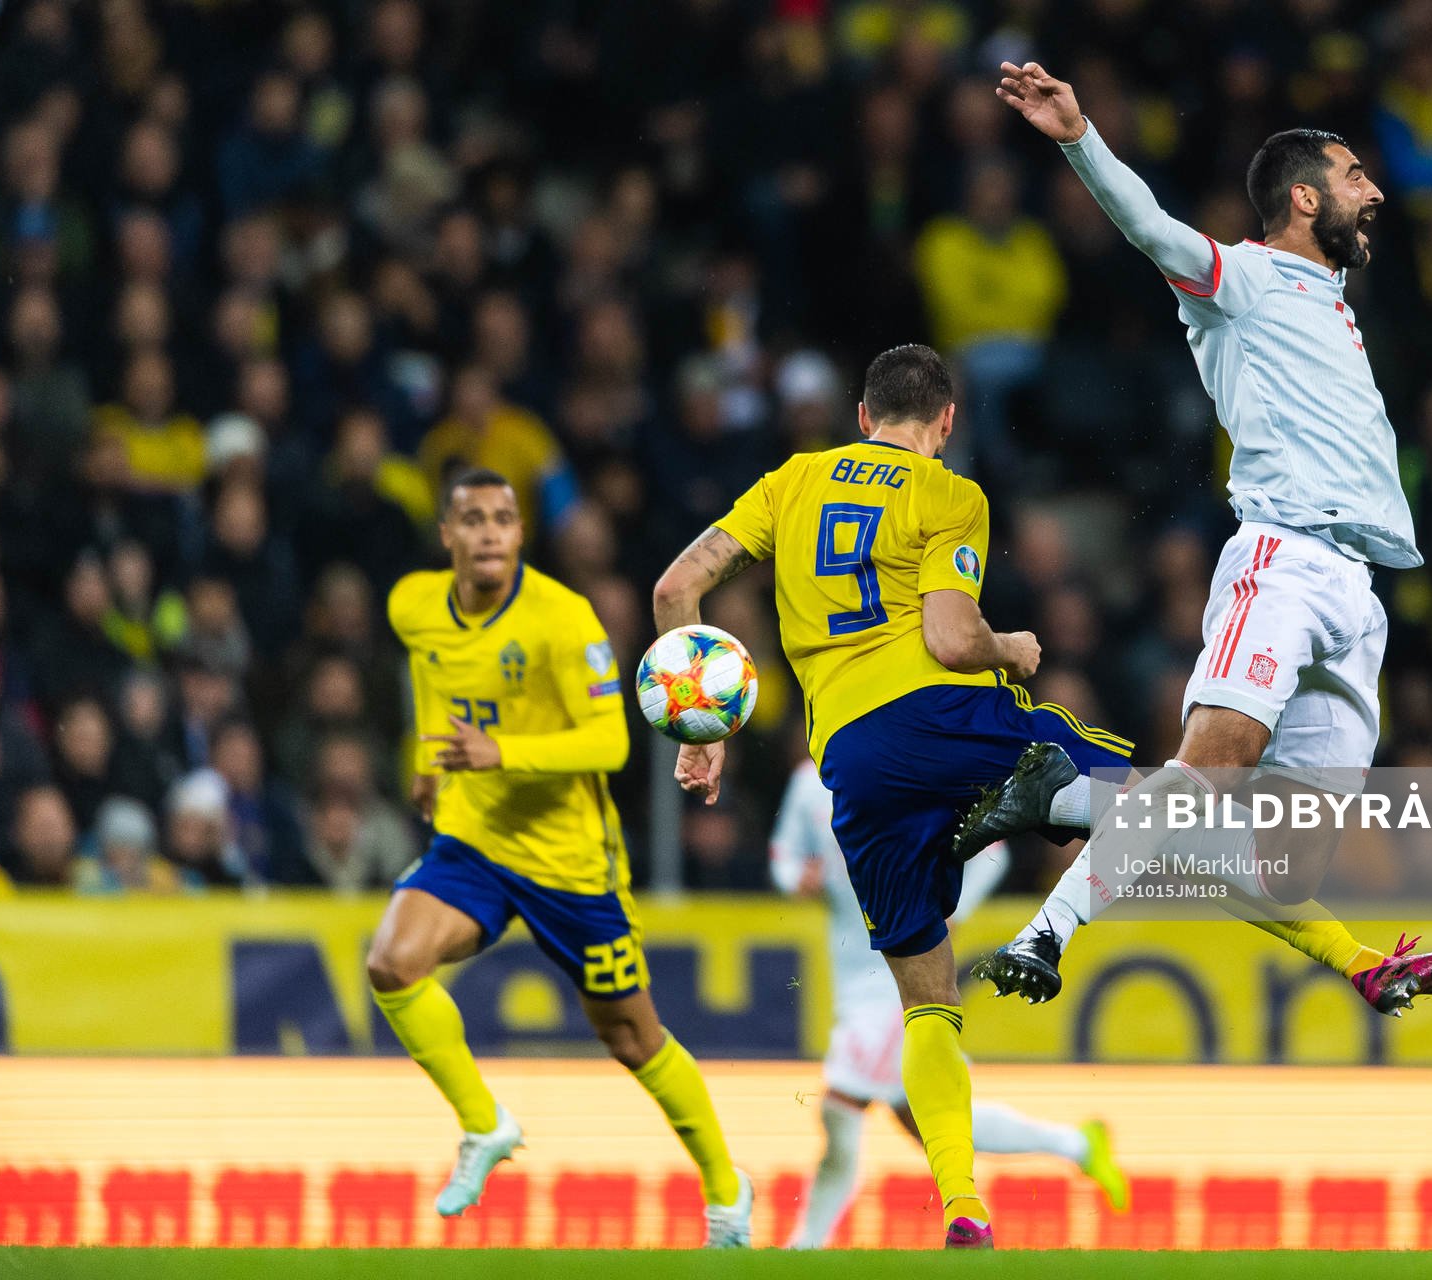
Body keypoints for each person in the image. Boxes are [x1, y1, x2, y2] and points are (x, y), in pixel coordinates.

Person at [966, 63, 1432, 1014]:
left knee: (1282, 869)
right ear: (1305, 194)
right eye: (1357, 173)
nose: (1375, 189)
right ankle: (1049, 930)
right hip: (1281, 562)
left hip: (1357, 602)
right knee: (1209, 769)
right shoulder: (1243, 277)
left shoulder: (1332, 304)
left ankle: (1068, 800)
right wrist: (1079, 135)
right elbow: (1149, 227)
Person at [652, 344, 1134, 1249]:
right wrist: (1014, 647)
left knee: (924, 1009)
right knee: (1151, 807)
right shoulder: (950, 494)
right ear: (946, 423)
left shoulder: (792, 482)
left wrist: (703, 736)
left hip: (855, 766)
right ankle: (1318, 917)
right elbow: (955, 640)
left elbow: (677, 586)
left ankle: (961, 1210)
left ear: (861, 417)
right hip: (953, 726)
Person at [371, 467, 751, 1242]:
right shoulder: (412, 604)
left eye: (502, 519)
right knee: (390, 963)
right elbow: (429, 666)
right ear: (447, 535)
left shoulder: (562, 618)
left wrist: (499, 752)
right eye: (471, 519)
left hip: (571, 864)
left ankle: (726, 1189)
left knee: (631, 1037)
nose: (487, 532)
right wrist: (424, 753)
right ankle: (485, 1126)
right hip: (473, 841)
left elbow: (610, 742)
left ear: (520, 534)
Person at [769, 754, 1128, 1249]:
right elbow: (783, 855)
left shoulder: (906, 767)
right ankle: (1078, 1145)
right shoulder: (808, 785)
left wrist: (953, 907)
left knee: (840, 1104)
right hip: (853, 974)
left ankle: (803, 1248)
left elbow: (993, 849)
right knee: (933, 1118)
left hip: (902, 971)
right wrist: (797, 879)